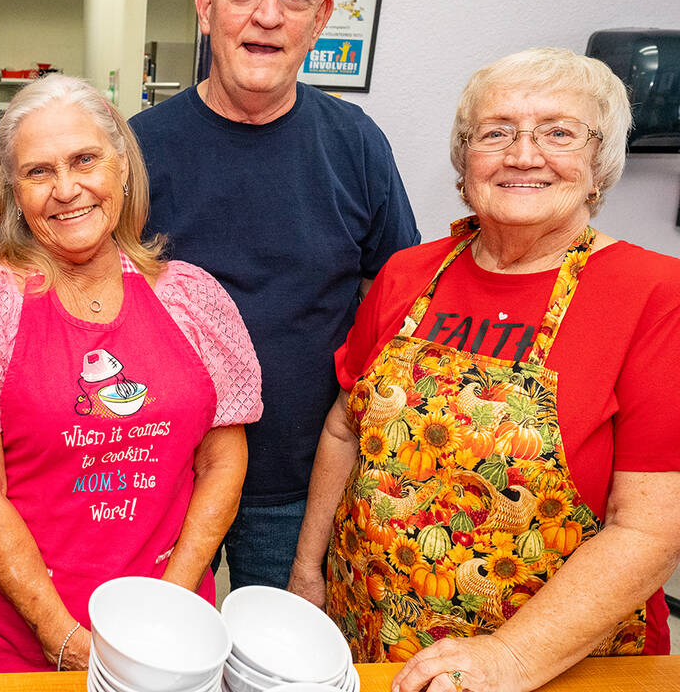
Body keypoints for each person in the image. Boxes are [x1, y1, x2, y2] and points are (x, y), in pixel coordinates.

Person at [288, 48, 680, 692]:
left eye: (558, 132)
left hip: (554, 660)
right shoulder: (408, 273)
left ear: (599, 162)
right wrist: (310, 570)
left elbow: (650, 528)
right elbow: (343, 430)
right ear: (465, 159)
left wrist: (511, 658)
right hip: (373, 631)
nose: (523, 155)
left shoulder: (653, 295)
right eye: (496, 132)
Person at [0, 74, 262, 673]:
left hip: (167, 628)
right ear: (12, 191)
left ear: (122, 168)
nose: (67, 189)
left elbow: (223, 464)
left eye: (85, 160)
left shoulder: (193, 298)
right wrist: (64, 638)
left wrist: (169, 604)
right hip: (14, 636)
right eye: (39, 171)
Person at [129, 0, 419, 591]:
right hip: (159, 476)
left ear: (320, 20)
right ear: (206, 6)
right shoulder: (137, 149)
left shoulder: (356, 145)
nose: (268, 14)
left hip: (297, 483)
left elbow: (398, 304)